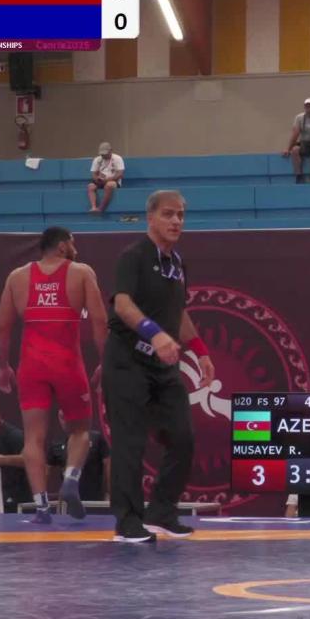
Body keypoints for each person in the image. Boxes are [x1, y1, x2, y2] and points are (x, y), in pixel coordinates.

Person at [104, 190, 216, 542]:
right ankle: (127, 522)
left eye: (181, 214)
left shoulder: (178, 263)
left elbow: (178, 312)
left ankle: (162, 513)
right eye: (168, 214)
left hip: (162, 365)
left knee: (182, 437)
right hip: (127, 360)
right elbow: (123, 305)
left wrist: (200, 351)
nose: (176, 221)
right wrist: (154, 334)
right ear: (150, 217)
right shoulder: (133, 256)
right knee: (130, 441)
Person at [0, 226, 108, 524]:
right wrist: (105, 362)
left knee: (33, 437)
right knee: (80, 430)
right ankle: (70, 479)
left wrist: (3, 366)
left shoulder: (17, 277)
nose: (76, 250)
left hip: (32, 366)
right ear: (61, 246)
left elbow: (2, 328)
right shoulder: (81, 273)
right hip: (68, 364)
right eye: (73, 243)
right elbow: (99, 321)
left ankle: (41, 507)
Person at [47, 427, 111, 502]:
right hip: (69, 499)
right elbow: (46, 469)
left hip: (95, 498)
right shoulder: (57, 442)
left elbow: (108, 465)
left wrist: (110, 493)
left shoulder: (96, 438)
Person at [282, 99, 310, 183]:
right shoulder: (299, 118)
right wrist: (288, 148)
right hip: (303, 142)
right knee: (295, 150)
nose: (309, 109)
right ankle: (298, 175)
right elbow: (295, 134)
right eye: (307, 106)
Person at [88, 142, 126, 214]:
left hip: (113, 181)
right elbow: (93, 173)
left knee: (109, 185)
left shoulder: (117, 158)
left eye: (105, 154)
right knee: (90, 186)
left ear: (110, 151)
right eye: (102, 154)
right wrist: (97, 179)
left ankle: (101, 208)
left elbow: (120, 174)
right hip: (101, 181)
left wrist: (108, 179)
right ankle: (93, 207)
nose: (103, 156)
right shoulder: (97, 159)